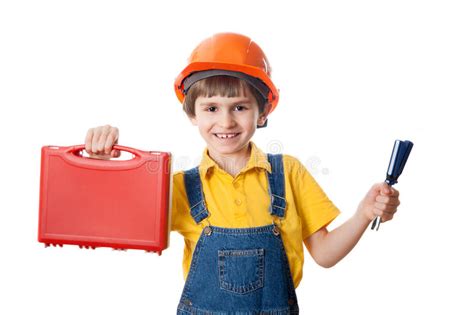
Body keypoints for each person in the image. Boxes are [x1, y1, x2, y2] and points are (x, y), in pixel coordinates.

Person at [84, 33, 400, 314]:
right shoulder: (180, 187)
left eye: (239, 107)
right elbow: (113, 225)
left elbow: (325, 254)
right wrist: (105, 164)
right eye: (211, 108)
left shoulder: (288, 173)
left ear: (262, 112)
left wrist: (363, 213)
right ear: (192, 114)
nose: (226, 122)